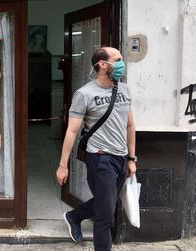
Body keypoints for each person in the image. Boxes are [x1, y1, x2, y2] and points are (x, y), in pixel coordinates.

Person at [56, 47, 137, 251]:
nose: (121, 64)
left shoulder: (125, 90)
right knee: (105, 217)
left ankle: (74, 216)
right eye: (117, 60)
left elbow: (130, 126)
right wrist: (62, 166)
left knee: (106, 201)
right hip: (100, 159)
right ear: (102, 64)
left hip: (121, 157)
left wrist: (131, 158)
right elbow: (72, 132)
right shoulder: (85, 94)